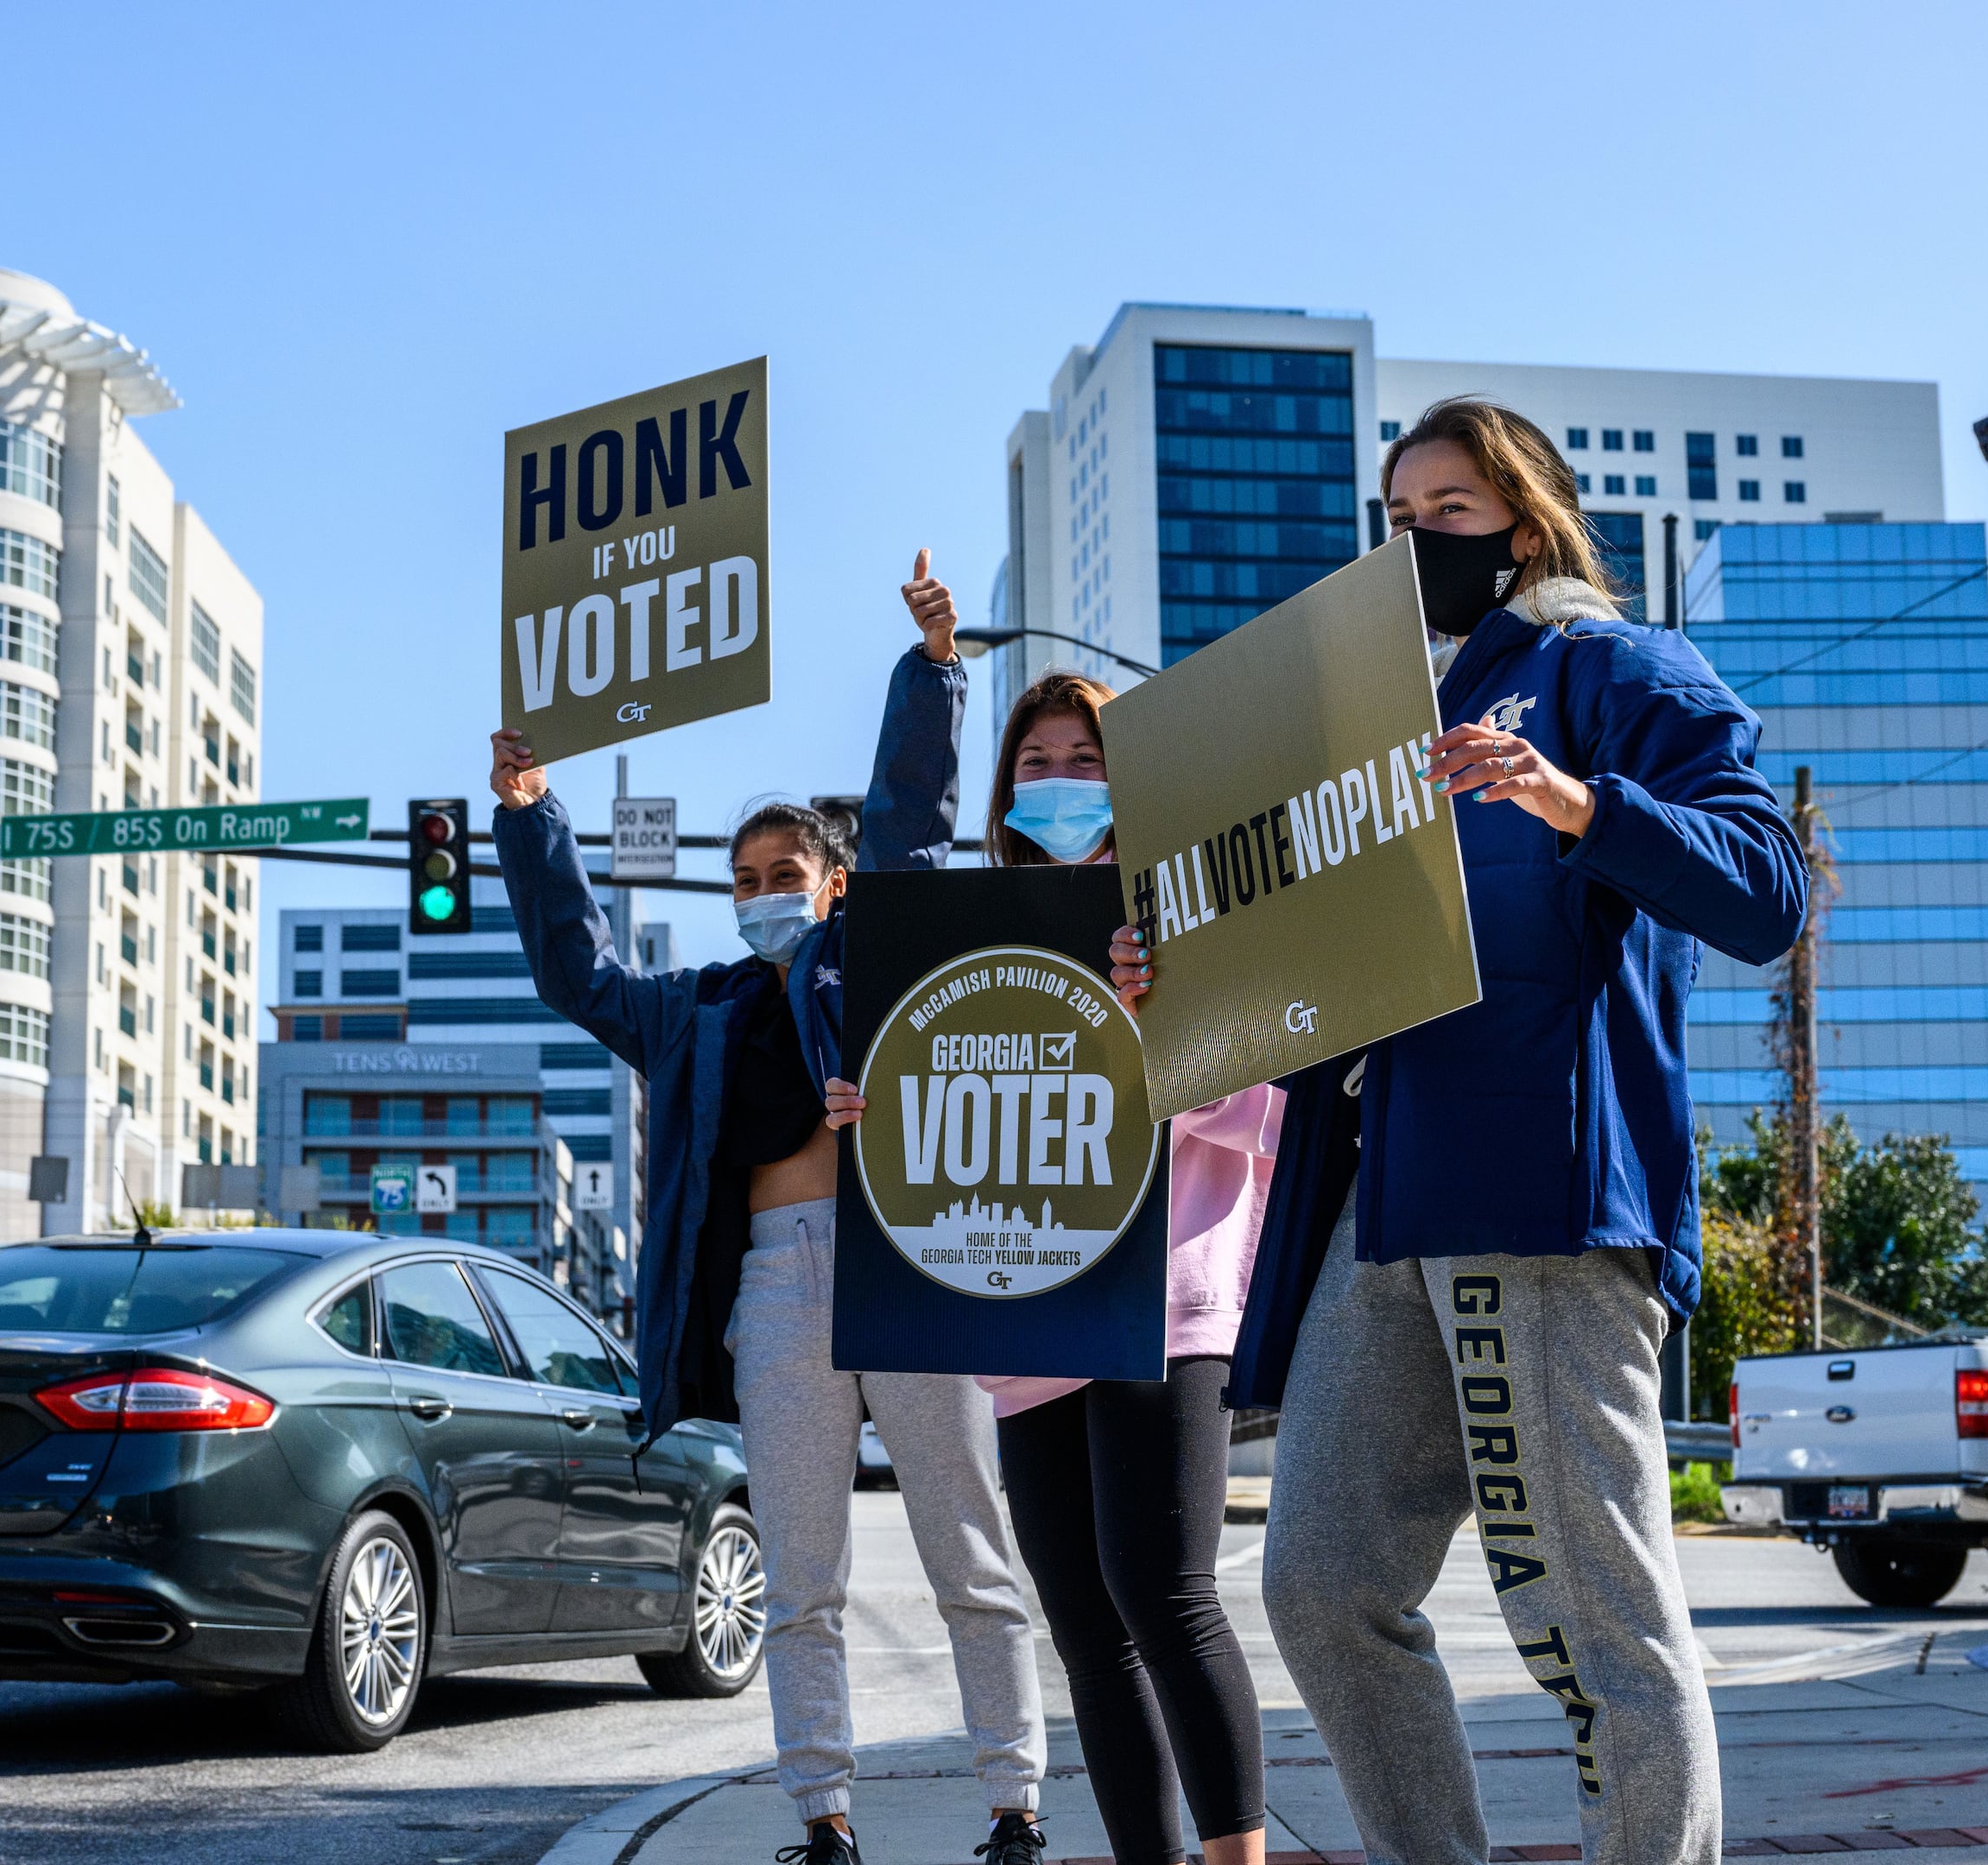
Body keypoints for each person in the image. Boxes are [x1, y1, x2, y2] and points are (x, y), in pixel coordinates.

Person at [1112, 399, 1807, 1865]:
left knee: (1590, 1614)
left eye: (1450, 513)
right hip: (1383, 1199)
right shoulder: (1380, 726)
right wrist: (1175, 972)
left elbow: (1765, 891)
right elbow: (1298, 980)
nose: (1415, 542)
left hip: (1539, 1195)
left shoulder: (1614, 666)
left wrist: (1578, 801)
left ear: (1529, 520)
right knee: (1319, 1586)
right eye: (1399, 517)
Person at [487, 553, 1047, 1865]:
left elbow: (911, 816)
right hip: (778, 1290)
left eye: (784, 866)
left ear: (832, 883)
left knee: (973, 1559)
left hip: (906, 1268)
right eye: (742, 876)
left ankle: (1015, 1812)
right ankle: (825, 1822)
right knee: (804, 1585)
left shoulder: (875, 957)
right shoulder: (695, 1013)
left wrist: (933, 669)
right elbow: (577, 969)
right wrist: (530, 812)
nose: (759, 890)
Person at [823, 666, 1276, 1865]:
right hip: (1034, 1321)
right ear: (1005, 791)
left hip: (1163, 1304)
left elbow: (1275, 1120)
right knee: (1085, 1627)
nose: (1061, 782)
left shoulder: (1192, 917)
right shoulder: (977, 942)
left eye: (1089, 760)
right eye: (1038, 762)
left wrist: (1163, 1029)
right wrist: (883, 1109)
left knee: (1164, 1595)